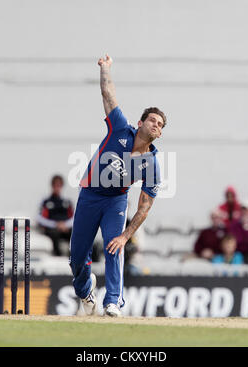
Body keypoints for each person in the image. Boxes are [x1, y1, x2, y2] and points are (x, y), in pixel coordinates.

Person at [69, 54, 165, 317]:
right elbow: (107, 93)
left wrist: (126, 235)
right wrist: (105, 68)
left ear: (160, 133)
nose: (156, 125)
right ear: (140, 123)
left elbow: (145, 207)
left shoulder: (153, 164)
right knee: (77, 257)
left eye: (160, 125)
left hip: (115, 201)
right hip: (90, 194)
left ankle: (113, 302)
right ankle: (87, 292)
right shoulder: (120, 128)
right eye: (152, 120)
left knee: (114, 244)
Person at [37, 175, 74, 256]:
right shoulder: (46, 201)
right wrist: (55, 225)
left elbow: (74, 218)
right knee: (54, 235)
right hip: (52, 229)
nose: (57, 188)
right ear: (52, 186)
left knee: (75, 234)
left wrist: (65, 225)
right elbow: (40, 218)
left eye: (59, 185)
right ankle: (58, 257)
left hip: (65, 229)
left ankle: (74, 257)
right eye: (55, 185)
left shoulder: (67, 202)